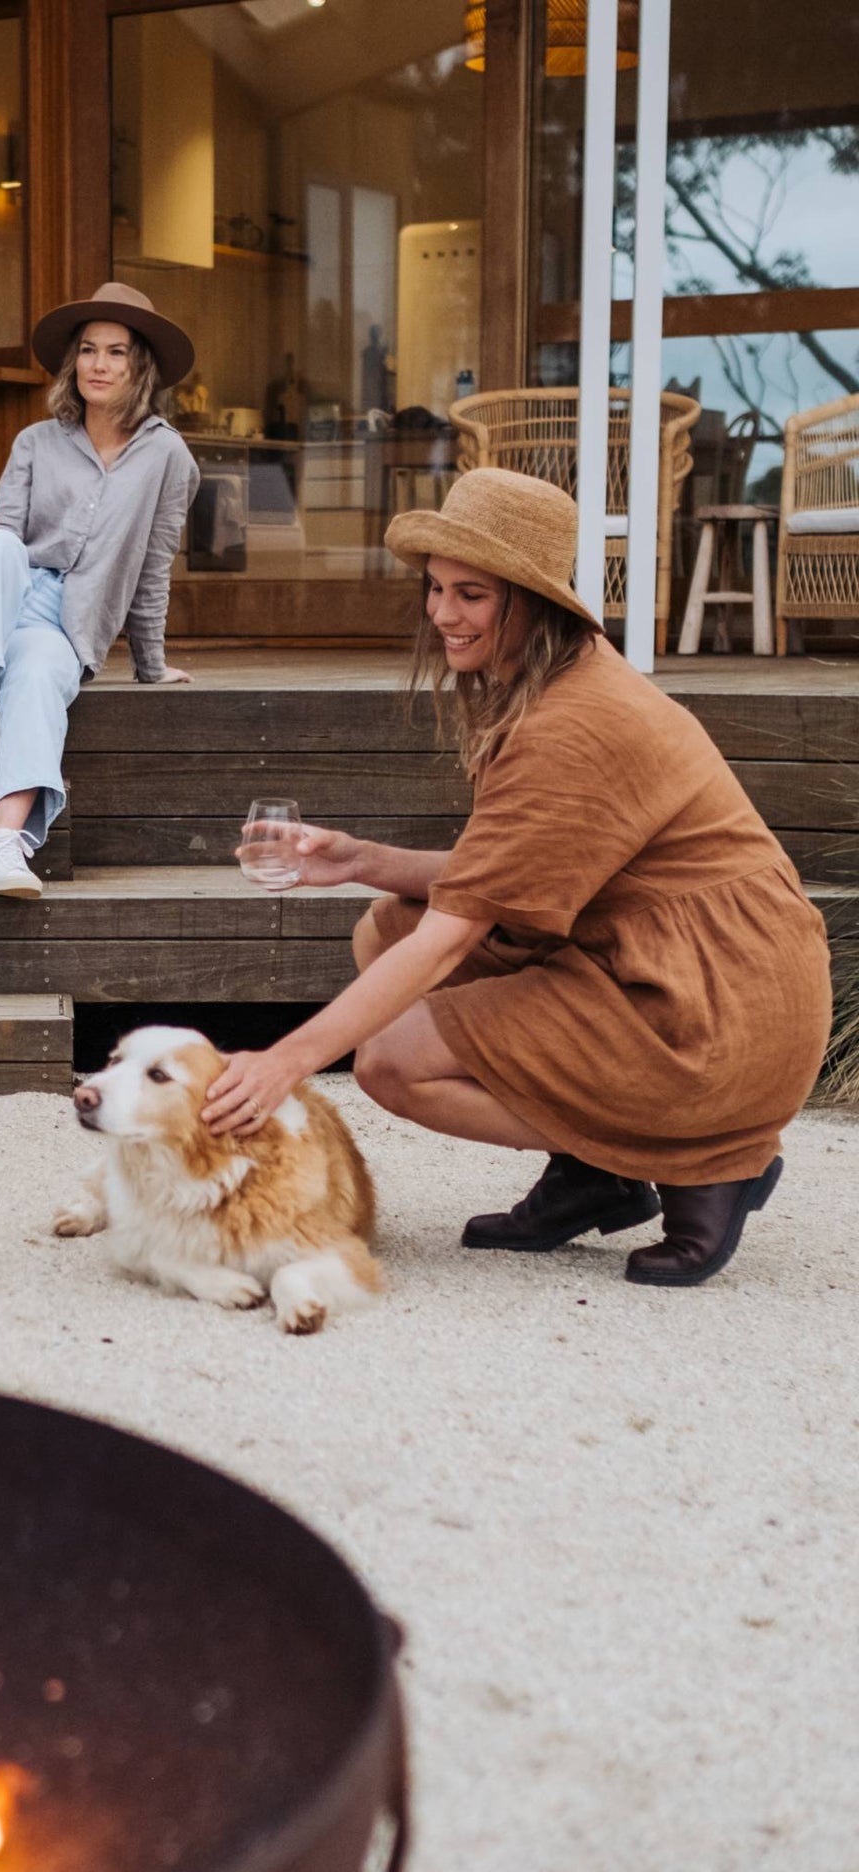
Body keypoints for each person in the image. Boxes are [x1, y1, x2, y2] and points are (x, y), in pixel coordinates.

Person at [201, 468, 831, 1288]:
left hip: (717, 1007)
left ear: (534, 603)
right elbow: (505, 876)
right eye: (436, 588)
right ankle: (595, 1174)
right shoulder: (564, 674)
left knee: (390, 1062)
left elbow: (448, 940)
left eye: (472, 595)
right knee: (388, 923)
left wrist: (283, 1061)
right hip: (661, 960)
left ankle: (705, 1161)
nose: (442, 614)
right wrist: (359, 860)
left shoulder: (571, 725)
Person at [0, 282, 197, 898]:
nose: (99, 364)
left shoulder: (169, 457)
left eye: (116, 352)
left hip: (62, 624)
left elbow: (154, 565)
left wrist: (151, 665)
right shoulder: (35, 441)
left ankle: (1, 845)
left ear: (140, 366)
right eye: (89, 350)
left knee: (41, 674)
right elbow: (7, 541)